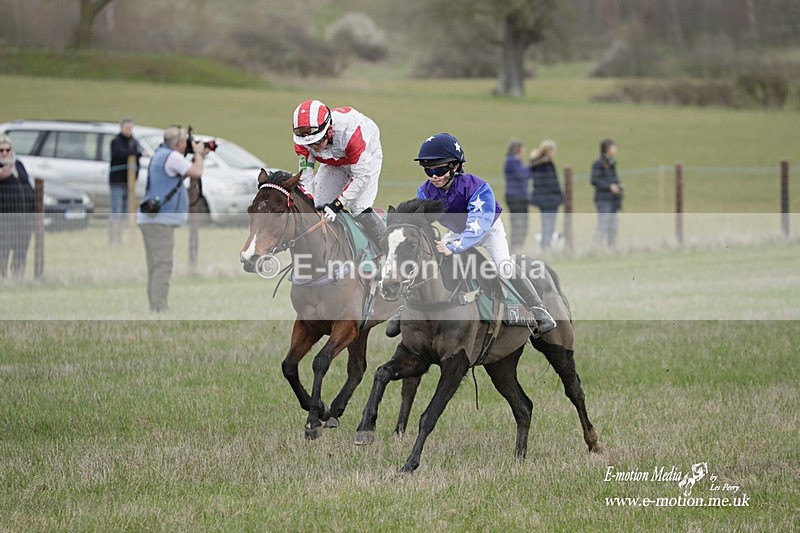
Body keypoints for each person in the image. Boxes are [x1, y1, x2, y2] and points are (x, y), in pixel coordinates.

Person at [384, 133, 555, 338]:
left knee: (503, 266)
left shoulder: (477, 187)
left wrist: (453, 246)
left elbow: (478, 226)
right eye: (429, 170)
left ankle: (538, 309)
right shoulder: (425, 191)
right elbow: (422, 225)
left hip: (488, 231)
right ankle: (405, 310)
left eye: (439, 169)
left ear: (455, 166)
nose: (434, 176)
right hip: (456, 233)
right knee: (428, 261)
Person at [291, 99, 385, 243]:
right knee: (319, 206)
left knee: (358, 208)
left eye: (316, 142)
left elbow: (361, 177)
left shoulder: (351, 134)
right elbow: (306, 175)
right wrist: (309, 202)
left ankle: (388, 249)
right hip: (335, 161)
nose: (313, 147)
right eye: (308, 144)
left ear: (328, 131)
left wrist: (338, 204)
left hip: (366, 157)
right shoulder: (303, 142)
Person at [137, 125, 208, 312]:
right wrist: (199, 154)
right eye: (185, 142)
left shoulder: (160, 154)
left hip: (150, 219)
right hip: (160, 222)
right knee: (163, 265)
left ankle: (155, 305)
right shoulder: (173, 157)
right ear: (177, 143)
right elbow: (196, 172)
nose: (187, 145)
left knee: (154, 265)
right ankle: (160, 307)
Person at [0, 134, 35, 279]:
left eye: (7, 150)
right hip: (4, 219)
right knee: (3, 251)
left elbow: (27, 184)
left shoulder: (18, 165)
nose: (4, 153)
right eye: (1, 150)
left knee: (20, 251)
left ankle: (18, 277)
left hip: (23, 218)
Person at [108, 118, 143, 245]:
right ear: (121, 128)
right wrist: (135, 153)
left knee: (126, 211)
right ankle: (114, 237)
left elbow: (138, 155)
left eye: (130, 128)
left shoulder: (134, 142)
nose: (129, 131)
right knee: (116, 210)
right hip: (117, 182)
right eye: (127, 128)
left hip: (130, 183)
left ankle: (122, 237)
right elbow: (121, 154)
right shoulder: (116, 142)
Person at [529, 139, 563, 251]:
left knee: (548, 225)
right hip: (548, 200)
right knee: (548, 225)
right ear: (548, 151)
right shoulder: (543, 165)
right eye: (553, 150)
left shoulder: (545, 164)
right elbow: (550, 183)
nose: (555, 153)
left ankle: (546, 247)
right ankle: (545, 248)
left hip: (549, 199)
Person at [591, 138, 623, 247]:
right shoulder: (598, 164)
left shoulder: (612, 163)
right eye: (613, 147)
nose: (615, 150)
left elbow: (613, 178)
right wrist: (609, 187)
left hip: (613, 200)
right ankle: (596, 247)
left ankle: (612, 249)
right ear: (606, 149)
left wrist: (619, 185)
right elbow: (594, 180)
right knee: (603, 225)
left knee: (613, 227)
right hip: (603, 199)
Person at [503, 139, 531, 252]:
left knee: (521, 224)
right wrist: (532, 166)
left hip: (519, 197)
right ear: (518, 150)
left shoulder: (514, 161)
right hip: (516, 197)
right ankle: (513, 249)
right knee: (518, 224)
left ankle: (516, 248)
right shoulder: (512, 161)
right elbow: (523, 175)